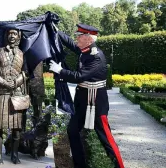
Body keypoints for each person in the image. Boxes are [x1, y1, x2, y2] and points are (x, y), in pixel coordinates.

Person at [49, 24, 125, 168]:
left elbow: (80, 76)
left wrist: (60, 71)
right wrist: (57, 32)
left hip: (95, 100)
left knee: (105, 137)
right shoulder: (85, 50)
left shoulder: (96, 56)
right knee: (72, 130)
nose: (77, 38)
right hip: (82, 100)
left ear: (88, 39)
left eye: (80, 36)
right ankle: (80, 165)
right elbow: (71, 44)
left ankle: (120, 166)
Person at [0, 28, 28, 165]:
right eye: (10, 33)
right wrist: (4, 82)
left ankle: (14, 155)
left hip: (16, 95)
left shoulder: (22, 54)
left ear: (18, 37)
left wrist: (16, 82)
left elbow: (25, 73)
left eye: (15, 34)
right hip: (1, 93)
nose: (12, 36)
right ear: (6, 36)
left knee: (17, 128)